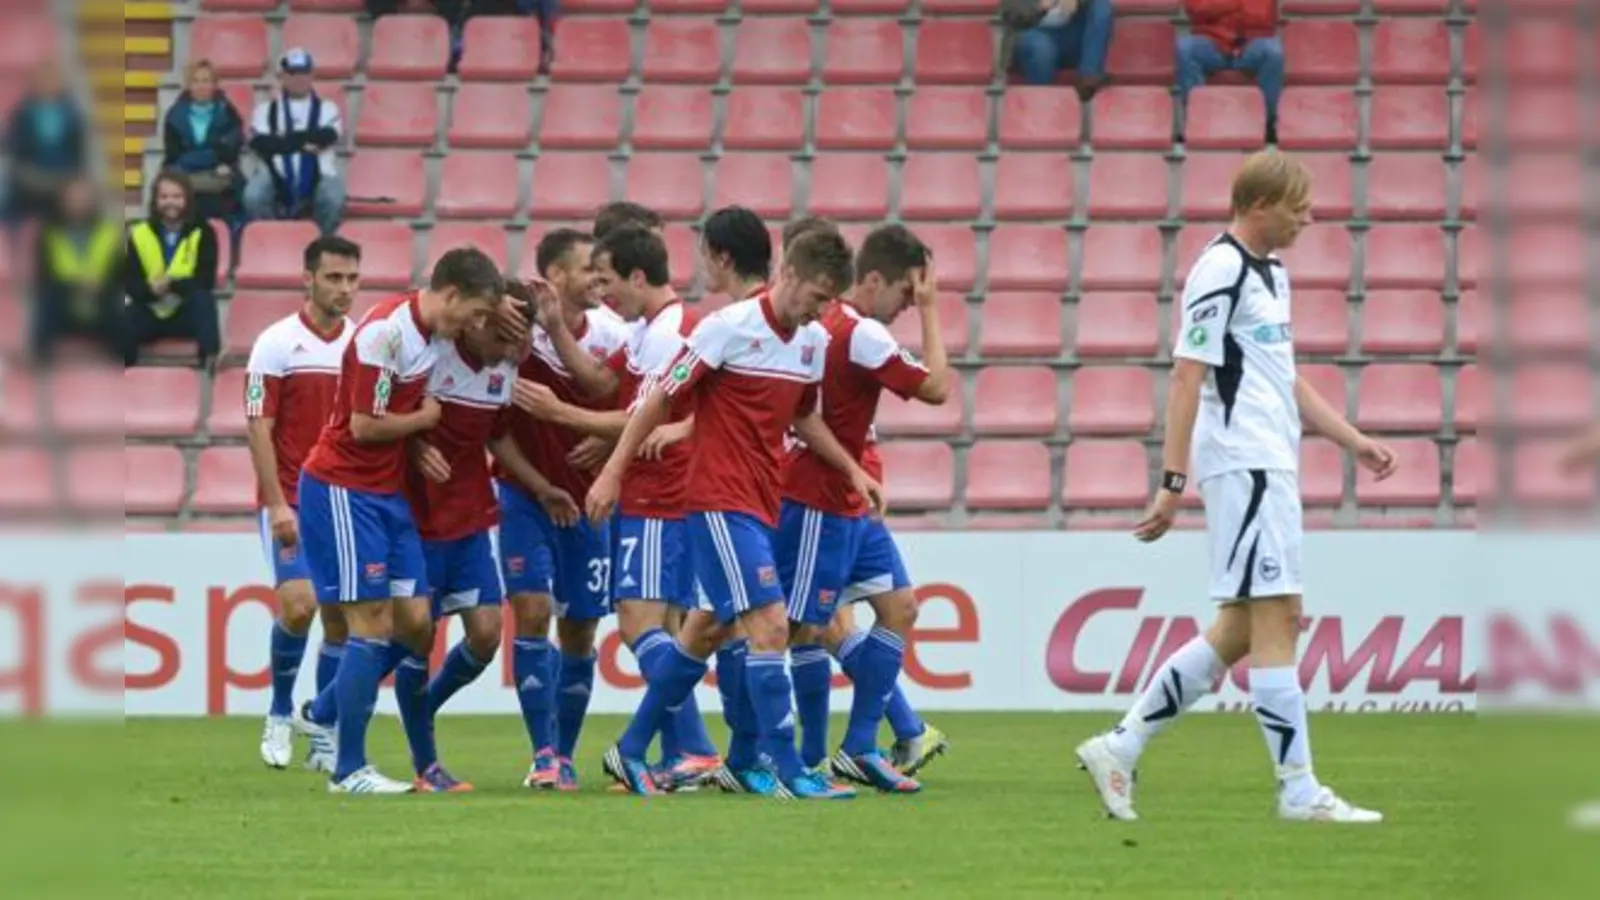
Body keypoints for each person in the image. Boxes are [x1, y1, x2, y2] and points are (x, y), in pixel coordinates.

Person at [1075, 151, 1396, 823]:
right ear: (1257, 205)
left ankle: (1120, 747)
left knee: (1239, 629)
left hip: (1269, 460)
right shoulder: (1218, 270)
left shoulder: (1273, 274)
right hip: (1244, 463)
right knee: (1279, 615)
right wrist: (1171, 482)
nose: (1307, 217)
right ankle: (1299, 790)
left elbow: (1283, 374)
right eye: (1296, 205)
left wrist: (1350, 438)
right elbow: (1189, 374)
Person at [584, 228, 871, 800]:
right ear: (786, 272)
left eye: (828, 302)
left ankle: (635, 748)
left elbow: (804, 420)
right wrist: (614, 470)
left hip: (763, 502)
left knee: (709, 628)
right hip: (717, 499)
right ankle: (789, 769)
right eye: (814, 295)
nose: (818, 310)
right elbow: (658, 398)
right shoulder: (727, 328)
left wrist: (852, 469)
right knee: (768, 626)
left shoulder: (810, 342)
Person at [512, 225, 723, 792]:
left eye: (608, 280)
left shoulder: (669, 331)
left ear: (636, 275)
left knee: (637, 624)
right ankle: (680, 754)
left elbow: (643, 416)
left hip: (662, 494)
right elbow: (609, 383)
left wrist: (567, 419)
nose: (604, 295)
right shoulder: (654, 329)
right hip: (667, 494)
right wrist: (556, 328)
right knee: (672, 629)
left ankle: (697, 748)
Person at [289, 248, 505, 795]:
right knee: (372, 622)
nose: (476, 326)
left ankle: (323, 709)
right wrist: (424, 421)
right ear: (451, 295)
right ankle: (349, 770)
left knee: (415, 624)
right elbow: (363, 426)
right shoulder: (385, 334)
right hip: (344, 487)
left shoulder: (435, 336)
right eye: (475, 313)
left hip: (386, 494)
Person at [775, 224, 954, 793]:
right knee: (803, 628)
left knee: (900, 608)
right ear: (873, 280)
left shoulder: (834, 326)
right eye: (906, 292)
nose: (908, 304)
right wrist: (932, 312)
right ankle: (801, 758)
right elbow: (937, 388)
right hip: (816, 496)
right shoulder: (859, 330)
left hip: (848, 497)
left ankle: (857, 747)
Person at [495, 228, 630, 791]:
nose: (599, 279)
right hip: (524, 495)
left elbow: (632, 409)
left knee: (579, 630)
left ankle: (567, 753)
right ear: (554, 277)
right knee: (531, 612)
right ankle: (543, 753)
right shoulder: (511, 335)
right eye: (586, 269)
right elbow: (493, 430)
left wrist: (603, 440)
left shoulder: (615, 335)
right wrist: (541, 486)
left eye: (602, 270)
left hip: (589, 502)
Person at [400, 290, 537, 793]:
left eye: (517, 341)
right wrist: (415, 446)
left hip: (471, 517)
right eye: (501, 335)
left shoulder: (504, 373)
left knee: (484, 633)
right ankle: (425, 764)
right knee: (416, 636)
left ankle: (423, 705)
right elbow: (384, 417)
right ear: (476, 322)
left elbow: (498, 436)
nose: (507, 349)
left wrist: (542, 487)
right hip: (418, 517)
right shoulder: (430, 357)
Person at [244, 235, 360, 771]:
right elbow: (258, 426)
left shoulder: (363, 344)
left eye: (352, 279)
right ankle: (277, 711)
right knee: (299, 604)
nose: (344, 289)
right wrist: (274, 505)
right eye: (334, 277)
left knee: (340, 622)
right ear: (308, 278)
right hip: (291, 496)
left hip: (342, 503)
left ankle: (324, 730)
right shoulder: (275, 343)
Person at [124, 171, 221, 368]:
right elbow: (131, 284)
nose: (171, 202)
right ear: (155, 200)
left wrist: (172, 285)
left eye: (177, 197)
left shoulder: (203, 231)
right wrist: (151, 290)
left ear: (187, 199)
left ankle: (209, 370)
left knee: (204, 302)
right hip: (151, 310)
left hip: (186, 311)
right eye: (164, 197)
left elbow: (206, 280)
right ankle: (126, 380)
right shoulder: (139, 233)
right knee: (122, 318)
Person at [245, 49, 344, 236]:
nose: (299, 78)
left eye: (304, 73)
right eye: (292, 73)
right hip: (274, 171)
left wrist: (284, 141)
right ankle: (273, 239)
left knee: (333, 198)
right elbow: (260, 143)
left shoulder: (328, 107)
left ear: (312, 75)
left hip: (321, 170)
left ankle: (323, 243)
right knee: (253, 196)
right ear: (282, 76)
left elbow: (328, 135)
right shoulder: (266, 109)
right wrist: (303, 144)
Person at [30, 176, 123, 365]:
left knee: (120, 309)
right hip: (64, 303)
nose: (78, 204)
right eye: (73, 199)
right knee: (45, 304)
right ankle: (40, 366)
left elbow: (118, 276)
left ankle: (120, 364)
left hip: (100, 302)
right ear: (62, 201)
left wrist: (99, 287)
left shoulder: (109, 232)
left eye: (83, 199)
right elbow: (44, 278)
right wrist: (76, 286)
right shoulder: (49, 234)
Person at [1175, 0, 1284, 146]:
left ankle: (1269, 123)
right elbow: (1198, 10)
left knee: (1273, 51)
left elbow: (1261, 19)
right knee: (1185, 48)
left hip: (1251, 44)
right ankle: (1195, 118)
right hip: (1212, 42)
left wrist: (1219, 11)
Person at [3, 63, 88, 226]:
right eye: (44, 79)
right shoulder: (23, 112)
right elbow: (14, 147)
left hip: (63, 176)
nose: (49, 84)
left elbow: (78, 149)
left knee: (75, 194)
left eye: (53, 79)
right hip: (31, 175)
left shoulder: (70, 113)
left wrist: (76, 176)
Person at [161, 59, 247, 222]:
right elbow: (173, 154)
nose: (201, 86)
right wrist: (211, 158)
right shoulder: (174, 116)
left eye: (206, 81)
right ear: (189, 85)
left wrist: (194, 159)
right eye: (196, 81)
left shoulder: (228, 113)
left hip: (221, 178)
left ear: (215, 85)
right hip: (190, 173)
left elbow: (229, 150)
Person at [1002, 0, 1116, 101]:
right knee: (1042, 49)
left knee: (1101, 4)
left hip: (1070, 35)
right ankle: (1039, 107)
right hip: (1033, 33)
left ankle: (1088, 76)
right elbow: (1011, 10)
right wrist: (1040, 5)